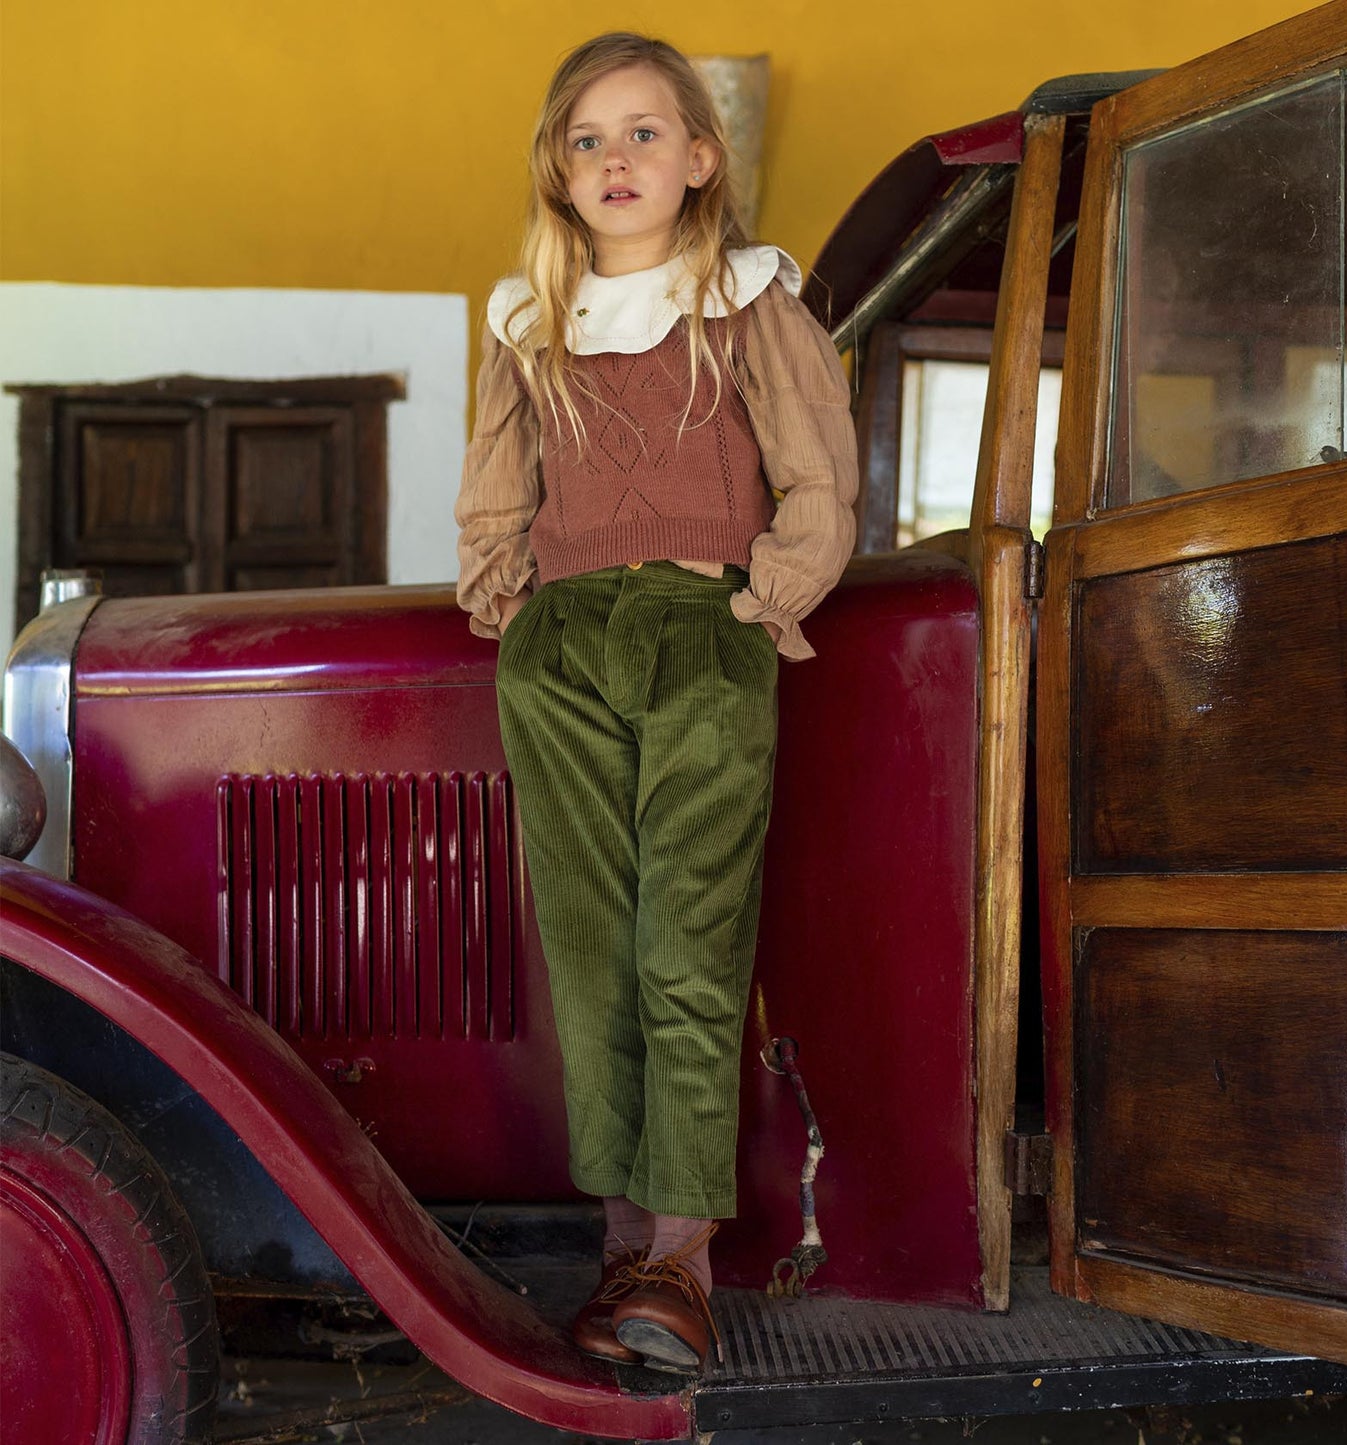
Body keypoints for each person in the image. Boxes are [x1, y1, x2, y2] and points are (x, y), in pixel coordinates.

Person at [454, 31, 857, 1374]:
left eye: (642, 132)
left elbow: (817, 475)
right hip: (562, 647)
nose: (614, 157)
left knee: (687, 940)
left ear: (696, 158)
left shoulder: (748, 304)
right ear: (558, 175)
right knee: (588, 946)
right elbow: (496, 489)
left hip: (701, 631)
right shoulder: (525, 320)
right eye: (585, 138)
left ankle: (678, 1259)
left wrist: (762, 596)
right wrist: (510, 605)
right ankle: (619, 1247)